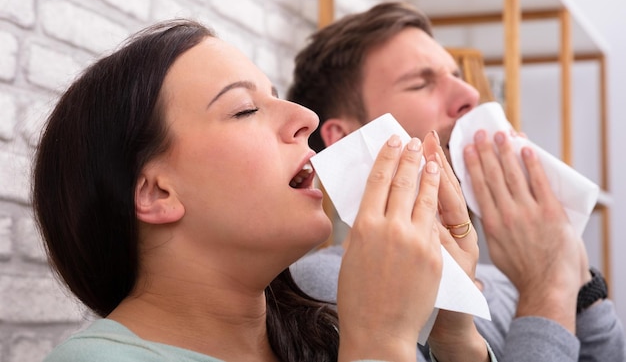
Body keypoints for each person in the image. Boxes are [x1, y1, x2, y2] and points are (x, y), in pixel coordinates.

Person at [33, 19, 497, 362]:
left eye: (277, 95)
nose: (306, 119)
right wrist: (380, 345)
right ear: (156, 193)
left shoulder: (325, 337)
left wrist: (456, 336)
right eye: (245, 109)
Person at [287, 2, 626, 362]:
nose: (470, 95)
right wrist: (548, 292)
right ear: (346, 139)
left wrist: (575, 278)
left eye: (457, 76)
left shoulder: (506, 280)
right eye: (421, 83)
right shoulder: (326, 286)